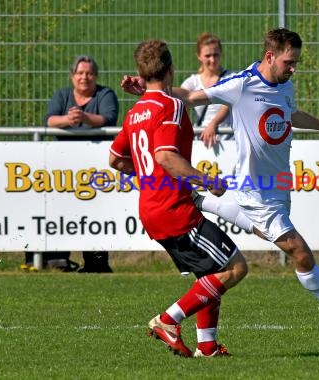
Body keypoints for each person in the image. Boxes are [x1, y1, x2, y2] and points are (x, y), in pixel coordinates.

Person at [122, 28, 319, 332]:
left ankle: (207, 345)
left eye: (296, 62)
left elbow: (292, 114)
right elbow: (192, 97)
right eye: (289, 62)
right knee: (300, 252)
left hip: (275, 193)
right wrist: (148, 90)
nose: (293, 68)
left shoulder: (285, 86)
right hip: (255, 196)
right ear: (270, 56)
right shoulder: (242, 84)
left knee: (221, 265)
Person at [110, 39, 248, 358]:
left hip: (151, 209)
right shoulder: (170, 106)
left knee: (208, 272)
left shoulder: (135, 112)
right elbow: (166, 157)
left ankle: (208, 346)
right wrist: (206, 180)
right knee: (234, 268)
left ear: (141, 74)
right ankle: (168, 320)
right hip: (174, 209)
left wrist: (149, 174)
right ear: (171, 69)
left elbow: (116, 160)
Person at [23, 55, 118, 273]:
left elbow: (108, 118)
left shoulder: (105, 94)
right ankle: (57, 260)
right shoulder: (62, 95)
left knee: (95, 212)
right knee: (59, 209)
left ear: (96, 76)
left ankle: (96, 263)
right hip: (64, 167)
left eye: (89, 73)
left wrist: (84, 117)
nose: (85, 77)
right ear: (72, 76)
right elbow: (49, 120)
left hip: (95, 167)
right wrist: (69, 120)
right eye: (80, 73)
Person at [181, 33, 233, 150]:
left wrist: (213, 124)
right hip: (200, 144)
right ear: (199, 56)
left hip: (227, 144)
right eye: (208, 55)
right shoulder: (192, 82)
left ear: (221, 53)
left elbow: (228, 103)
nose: (212, 59)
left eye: (216, 55)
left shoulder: (231, 78)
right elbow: (181, 99)